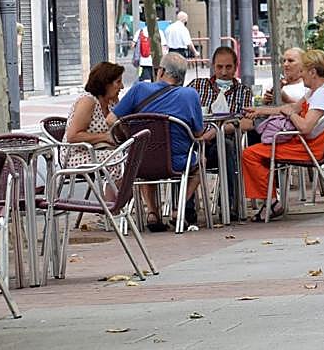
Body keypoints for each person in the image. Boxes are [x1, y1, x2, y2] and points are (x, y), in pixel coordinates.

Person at [106, 53, 206, 231]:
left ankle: (152, 212)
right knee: (202, 162)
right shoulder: (190, 95)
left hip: (140, 163)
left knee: (143, 149)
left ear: (161, 71)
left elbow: (111, 120)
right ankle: (179, 209)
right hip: (177, 162)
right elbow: (198, 133)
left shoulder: (139, 89)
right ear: (182, 77)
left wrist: (129, 135)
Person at [241, 48, 324, 220]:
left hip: (310, 148)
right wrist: (259, 110)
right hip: (312, 145)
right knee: (257, 151)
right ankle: (270, 200)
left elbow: (305, 127)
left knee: (250, 154)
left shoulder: (321, 95)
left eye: (303, 71)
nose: (301, 76)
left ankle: (271, 203)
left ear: (313, 72)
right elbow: (291, 108)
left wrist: (291, 115)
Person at [189, 46, 253, 218]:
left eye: (228, 67)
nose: (223, 72)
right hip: (195, 141)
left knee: (226, 146)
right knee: (180, 151)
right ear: (213, 66)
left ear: (235, 66)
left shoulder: (243, 91)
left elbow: (247, 123)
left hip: (221, 143)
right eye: (219, 67)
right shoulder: (197, 85)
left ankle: (228, 204)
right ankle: (185, 210)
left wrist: (219, 130)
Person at [64, 62, 125, 178]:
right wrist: (105, 137)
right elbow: (72, 136)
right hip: (77, 155)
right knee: (120, 160)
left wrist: (121, 108)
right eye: (118, 82)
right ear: (106, 84)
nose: (122, 87)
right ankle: (115, 196)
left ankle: (124, 195)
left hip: (100, 151)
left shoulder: (111, 103)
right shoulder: (88, 101)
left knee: (135, 157)